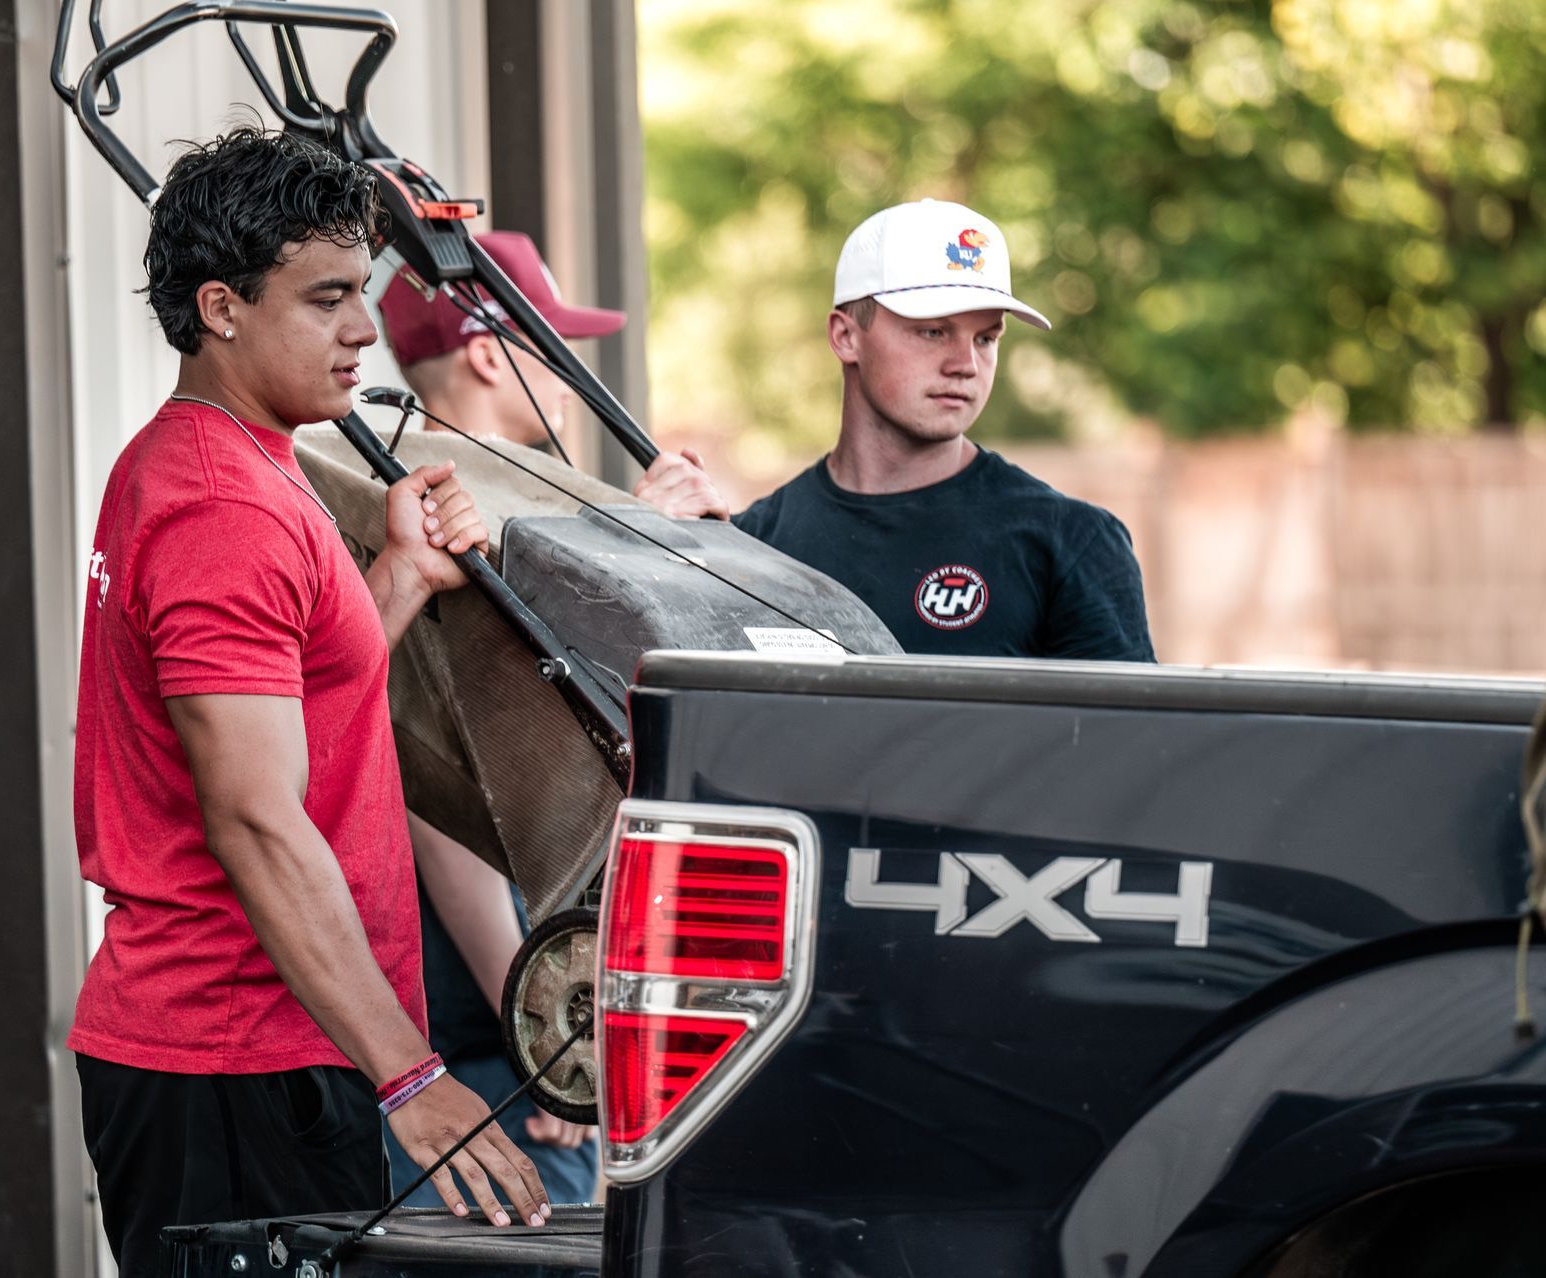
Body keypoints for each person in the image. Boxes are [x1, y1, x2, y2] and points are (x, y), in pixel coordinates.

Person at [69, 130, 549, 1277]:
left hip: (274, 1048)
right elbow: (253, 818)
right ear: (223, 306)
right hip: (233, 1063)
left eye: (365, 294)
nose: (363, 331)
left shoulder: (240, 458)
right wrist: (414, 1076)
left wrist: (398, 584)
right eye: (327, 299)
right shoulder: (217, 507)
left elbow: (295, 713)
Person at [373, 231, 727, 1205]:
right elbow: (439, 785)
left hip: (539, 1024)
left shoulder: (503, 509)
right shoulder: (446, 522)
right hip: (504, 1052)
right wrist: (552, 1036)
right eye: (553, 344)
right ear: (493, 352)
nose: (571, 372)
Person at [732, 200, 1155, 661]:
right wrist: (662, 541)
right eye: (933, 332)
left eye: (986, 338)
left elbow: (1133, 734)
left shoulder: (1073, 543)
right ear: (845, 337)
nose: (966, 365)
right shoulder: (753, 545)